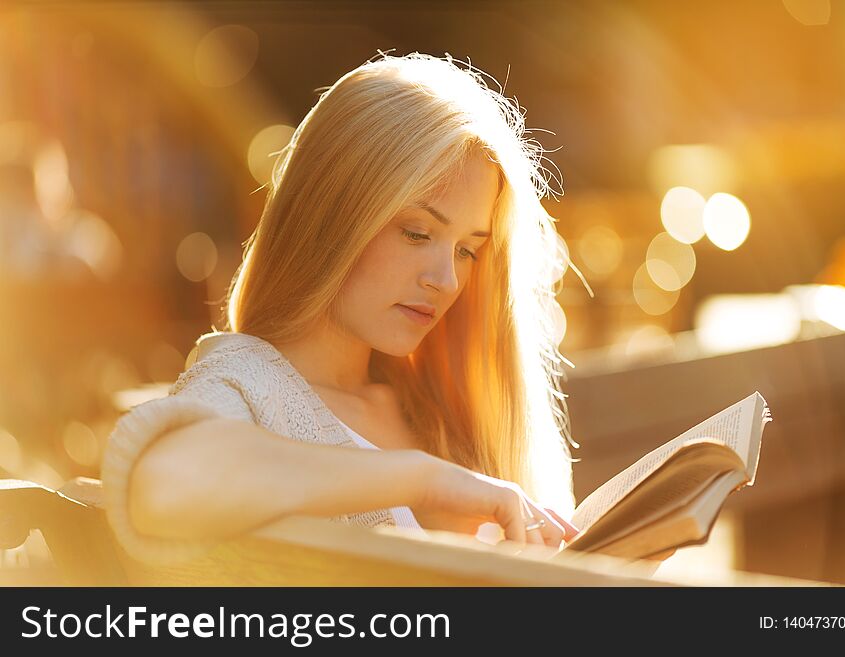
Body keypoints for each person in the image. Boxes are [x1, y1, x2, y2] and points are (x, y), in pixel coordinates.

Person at [101, 52, 614, 567]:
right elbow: (165, 485)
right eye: (417, 233)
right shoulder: (248, 383)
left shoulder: (435, 404)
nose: (446, 279)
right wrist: (425, 480)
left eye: (467, 249)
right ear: (334, 213)